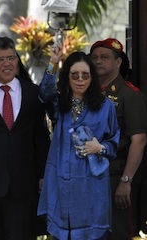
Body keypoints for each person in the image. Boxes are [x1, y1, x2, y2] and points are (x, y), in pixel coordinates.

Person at [0, 36, 50, 240]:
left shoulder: (33, 93)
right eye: (0, 59)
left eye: (11, 58)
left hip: (22, 187)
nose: (7, 63)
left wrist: (42, 175)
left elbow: (40, 138)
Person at [37, 51, 120, 240]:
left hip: (91, 185)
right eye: (74, 75)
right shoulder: (59, 104)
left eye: (85, 75)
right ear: (67, 77)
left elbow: (114, 141)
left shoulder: (105, 105)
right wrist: (52, 63)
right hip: (61, 182)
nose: (80, 79)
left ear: (92, 77)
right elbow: (44, 94)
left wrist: (100, 148)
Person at [90, 38, 147, 240]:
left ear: (118, 62)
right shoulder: (84, 92)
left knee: (118, 232)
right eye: (94, 57)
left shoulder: (129, 95)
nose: (98, 61)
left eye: (104, 57)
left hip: (115, 176)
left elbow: (139, 140)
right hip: (87, 178)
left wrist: (126, 180)